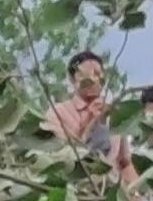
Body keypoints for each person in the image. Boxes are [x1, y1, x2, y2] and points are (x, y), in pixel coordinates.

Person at [44, 51, 137, 190]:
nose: (94, 79)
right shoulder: (57, 112)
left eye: (98, 74)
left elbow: (125, 163)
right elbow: (59, 159)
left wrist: (137, 198)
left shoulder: (114, 114)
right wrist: (91, 121)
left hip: (113, 195)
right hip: (79, 192)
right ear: (73, 79)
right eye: (87, 74)